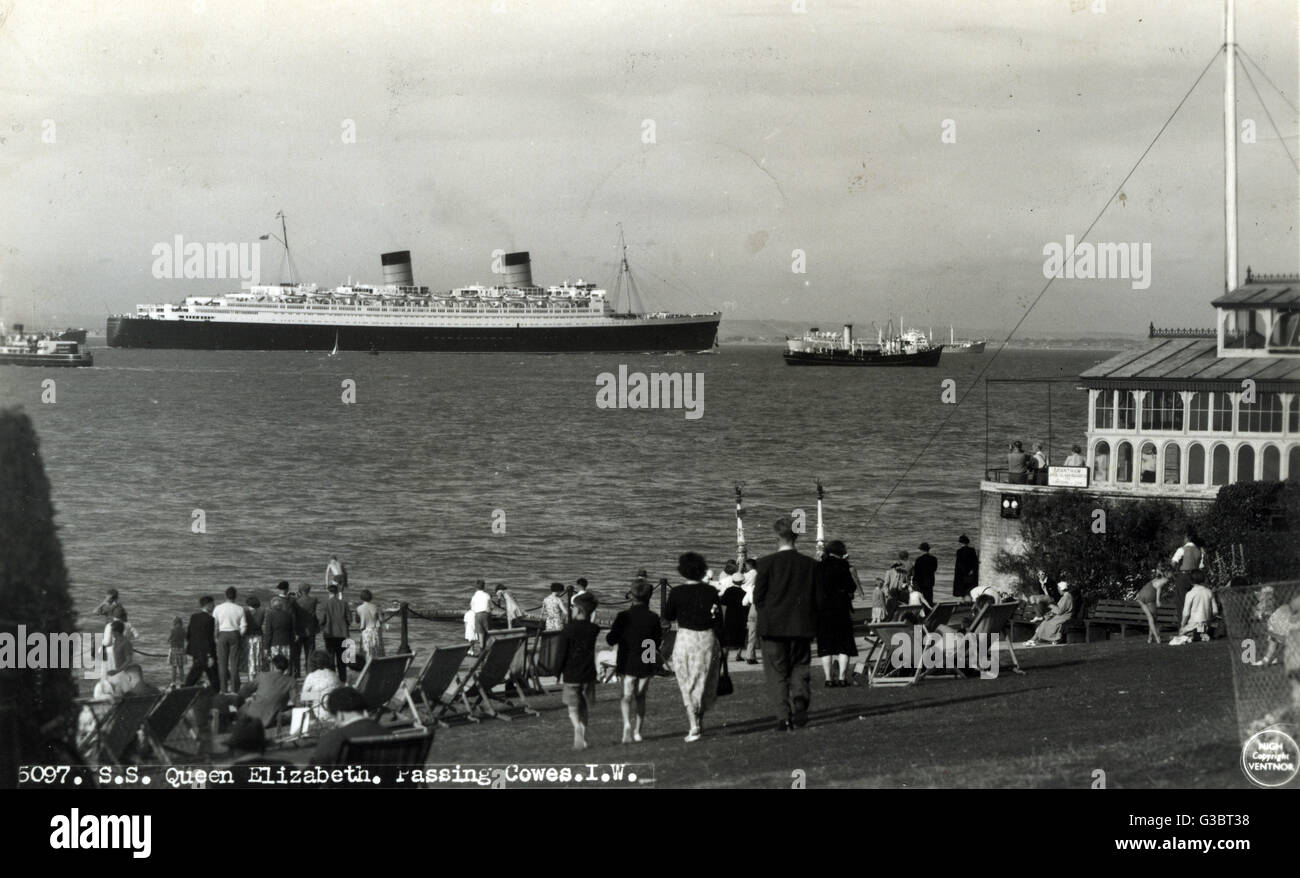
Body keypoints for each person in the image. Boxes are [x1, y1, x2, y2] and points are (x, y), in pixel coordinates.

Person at [754, 516, 821, 732]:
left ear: (777, 536)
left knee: (776, 673)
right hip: (801, 626)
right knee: (800, 666)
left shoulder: (765, 563)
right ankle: (800, 698)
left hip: (773, 627)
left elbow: (758, 597)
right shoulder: (810, 565)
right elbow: (817, 598)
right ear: (796, 536)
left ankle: (783, 717)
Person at [663, 551, 723, 743]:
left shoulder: (677, 592)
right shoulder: (711, 591)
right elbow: (719, 619)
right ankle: (700, 724)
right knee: (703, 681)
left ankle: (693, 724)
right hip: (707, 638)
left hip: (686, 638)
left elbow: (668, 615)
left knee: (686, 680)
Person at [606, 580, 662, 744]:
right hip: (645, 660)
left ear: (631, 595)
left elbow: (611, 639)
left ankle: (627, 725)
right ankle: (638, 731)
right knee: (641, 697)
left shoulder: (623, 616)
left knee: (626, 696)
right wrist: (650, 663)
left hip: (626, 660)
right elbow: (655, 643)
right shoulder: (653, 617)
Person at [554, 592, 601, 750]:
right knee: (584, 706)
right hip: (588, 673)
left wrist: (557, 671)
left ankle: (577, 727)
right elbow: (592, 625)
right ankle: (584, 734)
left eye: (573, 607)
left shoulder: (568, 629)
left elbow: (562, 653)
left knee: (572, 707)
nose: (571, 610)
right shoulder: (594, 629)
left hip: (571, 674)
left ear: (579, 610)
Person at [817, 540, 859, 687]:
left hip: (823, 610)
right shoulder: (843, 565)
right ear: (840, 551)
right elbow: (851, 586)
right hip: (841, 609)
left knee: (825, 645)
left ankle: (828, 679)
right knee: (844, 645)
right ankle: (842, 678)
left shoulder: (819, 566)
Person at [309, 687, 385, 767]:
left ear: (340, 715)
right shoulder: (386, 734)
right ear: (364, 710)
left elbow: (310, 776)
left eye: (335, 718)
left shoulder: (332, 739)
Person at [235, 654, 296, 728]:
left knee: (243, 705)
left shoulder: (262, 676)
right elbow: (296, 700)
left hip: (252, 716)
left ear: (272, 665)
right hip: (272, 719)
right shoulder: (291, 681)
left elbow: (243, 692)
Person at [1021, 581, 1076, 646]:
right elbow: (1059, 609)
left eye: (1058, 588)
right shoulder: (1066, 596)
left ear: (1062, 589)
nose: (1058, 590)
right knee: (1045, 621)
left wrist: (1049, 605)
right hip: (1062, 616)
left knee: (1046, 623)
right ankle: (1034, 639)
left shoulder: (1066, 597)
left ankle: (1034, 640)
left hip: (1064, 616)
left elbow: (1059, 611)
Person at [214, 587, 247, 694]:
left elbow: (215, 625)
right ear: (235, 596)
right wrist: (239, 635)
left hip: (222, 634)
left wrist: (215, 637)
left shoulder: (218, 608)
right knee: (234, 663)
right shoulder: (239, 608)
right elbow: (244, 626)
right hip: (234, 634)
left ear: (225, 595)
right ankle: (234, 689)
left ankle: (223, 689)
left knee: (222, 663)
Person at [184, 596, 220, 689]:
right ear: (207, 605)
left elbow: (189, 634)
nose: (214, 606)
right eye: (212, 604)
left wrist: (192, 648)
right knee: (213, 676)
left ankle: (184, 690)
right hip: (205, 653)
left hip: (195, 651)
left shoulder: (194, 617)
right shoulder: (210, 619)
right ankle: (217, 695)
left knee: (194, 674)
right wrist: (210, 656)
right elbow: (208, 638)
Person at [300, 648, 344, 722]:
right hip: (334, 712)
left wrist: (317, 695)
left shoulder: (311, 676)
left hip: (319, 712)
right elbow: (340, 691)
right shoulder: (334, 675)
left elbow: (304, 698)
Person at [1173, 577, 1220, 644]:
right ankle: (1200, 634)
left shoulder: (1190, 593)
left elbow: (1186, 613)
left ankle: (1194, 635)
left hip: (1193, 623)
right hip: (1206, 623)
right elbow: (1215, 611)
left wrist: (1182, 625)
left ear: (1191, 581)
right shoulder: (1209, 592)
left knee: (1180, 634)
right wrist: (1209, 619)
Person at [319, 584, 351, 680]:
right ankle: (343, 678)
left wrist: (321, 626)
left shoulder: (325, 603)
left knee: (330, 657)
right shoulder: (344, 603)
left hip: (330, 633)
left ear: (328, 592)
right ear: (337, 592)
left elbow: (322, 620)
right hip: (342, 633)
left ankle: (332, 678)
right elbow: (349, 619)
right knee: (342, 658)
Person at [1169, 529, 1203, 617]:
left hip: (1183, 576)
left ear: (1187, 538)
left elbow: (1173, 563)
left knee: (1181, 602)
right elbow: (1201, 566)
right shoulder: (1200, 550)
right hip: (1196, 577)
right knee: (1194, 602)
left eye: (1184, 538)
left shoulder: (1182, 549)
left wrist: (1177, 568)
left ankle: (1183, 626)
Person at [719, 566, 748, 662]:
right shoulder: (744, 593)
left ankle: (725, 655)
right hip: (741, 616)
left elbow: (723, 602)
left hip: (729, 615)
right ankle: (738, 655)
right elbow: (746, 605)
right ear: (742, 582)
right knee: (741, 635)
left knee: (728, 635)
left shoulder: (728, 590)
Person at [1136, 564, 1170, 644]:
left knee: (1152, 618)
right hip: (1146, 599)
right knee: (1151, 618)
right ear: (1166, 572)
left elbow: (1151, 587)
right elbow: (1158, 588)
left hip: (1141, 598)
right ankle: (1156, 637)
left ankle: (1150, 638)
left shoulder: (1156, 579)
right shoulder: (1164, 580)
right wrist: (1158, 600)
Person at [292, 584, 320, 679]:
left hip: (298, 630)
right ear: (309, 590)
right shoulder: (313, 600)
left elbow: (293, 615)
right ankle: (309, 672)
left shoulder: (296, 601)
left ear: (299, 590)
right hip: (310, 630)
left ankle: (297, 673)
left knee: (297, 654)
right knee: (310, 653)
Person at [738, 557, 760, 664]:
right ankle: (751, 656)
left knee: (752, 634)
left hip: (752, 609)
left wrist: (739, 568)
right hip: (760, 610)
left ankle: (750, 655)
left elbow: (744, 602)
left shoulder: (751, 588)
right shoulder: (764, 586)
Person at [263, 596, 295, 663]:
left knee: (275, 663)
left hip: (275, 643)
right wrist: (292, 643)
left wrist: (266, 647)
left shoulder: (270, 615)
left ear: (272, 605)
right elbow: (291, 630)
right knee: (285, 663)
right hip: (286, 642)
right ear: (281, 605)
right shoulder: (288, 615)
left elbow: (268, 632)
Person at [355, 589, 384, 659]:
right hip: (375, 631)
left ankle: (367, 666)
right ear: (371, 597)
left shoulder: (359, 608)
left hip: (366, 631)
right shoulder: (376, 607)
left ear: (361, 597)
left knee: (366, 651)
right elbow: (381, 620)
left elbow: (357, 620)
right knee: (377, 651)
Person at [244, 596, 266, 677]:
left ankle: (251, 674)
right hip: (259, 635)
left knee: (250, 656)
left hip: (248, 636)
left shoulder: (245, 612)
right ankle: (258, 672)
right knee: (258, 655)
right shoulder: (262, 611)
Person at [953, 534, 979, 599]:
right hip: (971, 573)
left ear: (961, 543)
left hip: (962, 574)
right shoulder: (972, 550)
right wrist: (972, 571)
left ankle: (963, 601)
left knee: (962, 590)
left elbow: (959, 563)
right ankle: (970, 600)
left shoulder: (959, 551)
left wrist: (965, 572)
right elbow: (975, 562)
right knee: (970, 588)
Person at [469, 580, 492, 652]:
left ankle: (482, 650)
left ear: (476, 587)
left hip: (477, 615)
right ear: (484, 587)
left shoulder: (474, 596)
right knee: (488, 632)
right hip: (486, 614)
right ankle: (488, 648)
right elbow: (492, 606)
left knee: (480, 633)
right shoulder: (487, 595)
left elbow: (472, 607)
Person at [167, 617, 186, 685]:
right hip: (181, 649)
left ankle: (173, 682)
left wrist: (168, 640)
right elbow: (186, 638)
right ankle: (182, 682)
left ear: (174, 623)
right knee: (181, 667)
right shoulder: (183, 630)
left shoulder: (172, 630)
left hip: (174, 649)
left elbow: (169, 639)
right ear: (181, 623)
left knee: (174, 667)